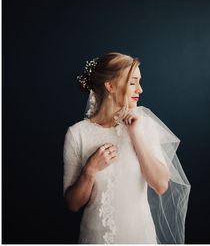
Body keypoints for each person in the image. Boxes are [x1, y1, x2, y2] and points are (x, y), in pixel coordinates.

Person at [63, 52, 191, 244]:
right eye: (133, 82)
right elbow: (73, 204)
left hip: (140, 237)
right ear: (110, 86)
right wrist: (89, 170)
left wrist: (136, 135)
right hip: (96, 238)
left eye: (139, 82)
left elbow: (161, 184)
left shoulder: (143, 125)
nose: (140, 89)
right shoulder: (77, 134)